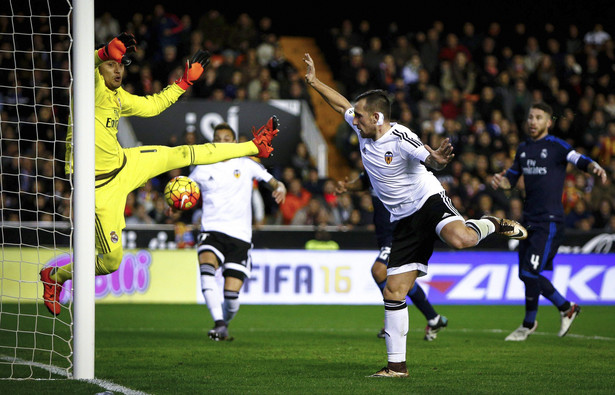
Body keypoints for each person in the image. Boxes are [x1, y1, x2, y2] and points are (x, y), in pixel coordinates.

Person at [303, 52, 527, 378]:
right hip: (403, 220)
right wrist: (314, 82)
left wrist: (437, 158)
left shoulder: (401, 137)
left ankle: (491, 222)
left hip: (428, 201)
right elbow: (341, 105)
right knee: (394, 291)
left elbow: (430, 159)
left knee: (462, 239)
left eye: (361, 118)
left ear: (377, 117)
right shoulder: (360, 122)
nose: (355, 121)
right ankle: (397, 368)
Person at [39, 32, 280, 316]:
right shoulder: (88, 89)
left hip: (125, 164)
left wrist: (184, 82)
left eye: (122, 65)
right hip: (98, 189)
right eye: (111, 65)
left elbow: (153, 106)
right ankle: (56, 277)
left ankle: (254, 145)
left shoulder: (118, 97)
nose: (118, 70)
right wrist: (103, 52)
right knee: (111, 262)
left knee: (181, 153)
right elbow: (82, 63)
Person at [490, 102, 607, 341]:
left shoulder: (556, 146)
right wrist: (499, 180)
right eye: (530, 117)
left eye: (538, 117)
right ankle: (552, 314)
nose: (533, 121)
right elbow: (510, 179)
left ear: (548, 122)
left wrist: (594, 166)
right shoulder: (522, 149)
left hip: (549, 221)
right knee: (525, 275)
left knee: (530, 273)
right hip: (527, 221)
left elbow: (578, 158)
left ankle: (544, 316)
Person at [189, 123, 286, 341]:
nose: (221, 142)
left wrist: (280, 188)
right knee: (206, 271)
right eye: (217, 138)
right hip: (212, 230)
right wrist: (173, 201)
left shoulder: (246, 164)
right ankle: (219, 323)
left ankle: (224, 322)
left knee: (231, 298)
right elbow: (184, 189)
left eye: (226, 138)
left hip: (240, 236)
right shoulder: (202, 167)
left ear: (234, 142)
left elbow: (272, 182)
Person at [336, 171, 448, 341]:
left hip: (399, 235)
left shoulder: (399, 166)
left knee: (378, 271)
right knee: (404, 283)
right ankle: (434, 318)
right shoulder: (373, 166)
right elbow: (363, 181)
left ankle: (393, 321)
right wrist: (348, 186)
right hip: (385, 236)